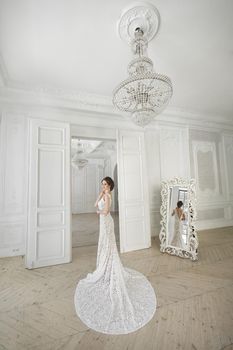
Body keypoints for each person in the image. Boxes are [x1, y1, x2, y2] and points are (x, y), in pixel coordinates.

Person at [74, 176, 156, 335]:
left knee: (109, 246)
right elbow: (94, 205)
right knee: (105, 245)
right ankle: (105, 265)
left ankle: (109, 266)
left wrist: (99, 209)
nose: (103, 186)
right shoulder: (103, 194)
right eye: (102, 184)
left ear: (110, 186)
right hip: (103, 222)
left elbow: (105, 211)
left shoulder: (109, 196)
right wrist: (99, 195)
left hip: (106, 222)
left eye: (105, 184)